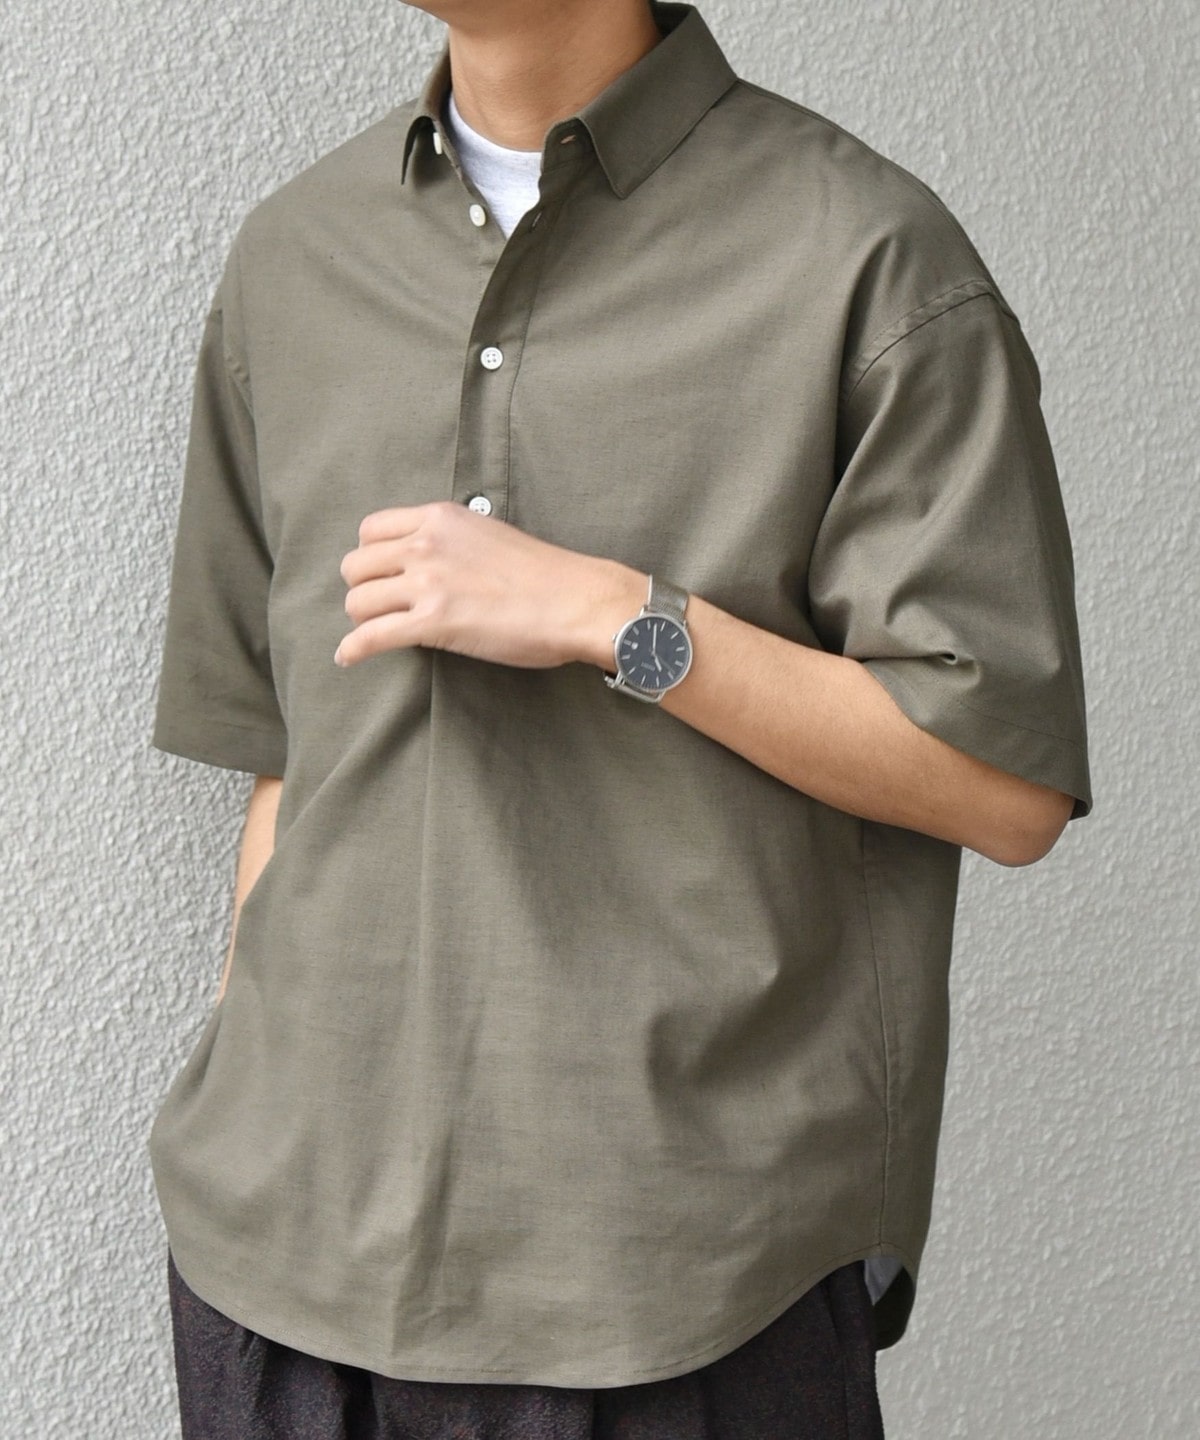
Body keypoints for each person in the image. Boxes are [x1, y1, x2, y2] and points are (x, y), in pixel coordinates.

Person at [147, 1, 1093, 1435]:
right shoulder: (293, 258)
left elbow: (999, 786)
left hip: (679, 1282)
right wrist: (239, 1065)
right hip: (279, 1268)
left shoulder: (865, 257)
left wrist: (615, 618)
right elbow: (284, 753)